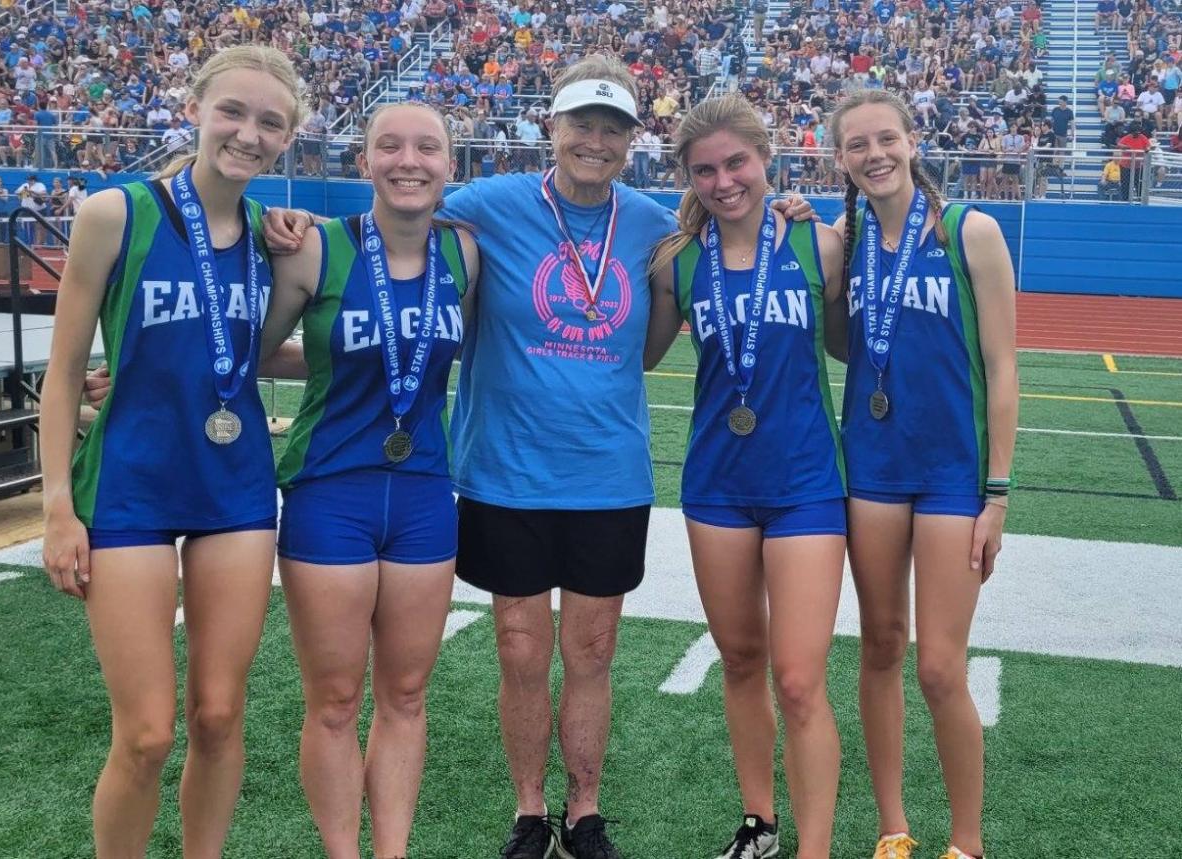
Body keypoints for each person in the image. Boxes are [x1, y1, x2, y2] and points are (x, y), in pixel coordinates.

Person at [262, 54, 816, 859]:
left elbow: (721, 255)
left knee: (591, 652)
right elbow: (396, 213)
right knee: (520, 648)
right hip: (503, 470)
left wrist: (786, 203)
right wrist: (301, 226)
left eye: (612, 128)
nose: (595, 140)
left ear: (632, 141)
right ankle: (530, 812)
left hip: (609, 472)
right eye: (581, 124)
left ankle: (584, 810)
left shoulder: (659, 228)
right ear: (550, 128)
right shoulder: (485, 206)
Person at [39, 46, 305, 859]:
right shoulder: (115, 213)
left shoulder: (278, 238)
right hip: (130, 487)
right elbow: (61, 372)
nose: (248, 134)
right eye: (233, 111)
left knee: (220, 715)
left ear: (288, 139)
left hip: (235, 490)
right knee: (148, 732)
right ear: (194, 108)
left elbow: (250, 348)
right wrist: (55, 505)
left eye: (271, 122)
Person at [256, 102, 480, 859]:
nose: (408, 160)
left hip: (423, 495)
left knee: (408, 695)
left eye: (427, 147)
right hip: (330, 492)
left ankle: (393, 851)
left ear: (452, 165)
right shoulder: (316, 250)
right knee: (335, 700)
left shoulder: (466, 256)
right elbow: (250, 351)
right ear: (364, 162)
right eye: (390, 145)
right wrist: (122, 374)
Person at [643, 95, 847, 859]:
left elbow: (853, 352)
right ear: (688, 178)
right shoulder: (676, 262)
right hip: (717, 484)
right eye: (705, 170)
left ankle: (813, 848)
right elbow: (637, 356)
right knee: (740, 659)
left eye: (736, 163)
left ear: (766, 160)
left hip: (806, 484)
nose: (724, 181)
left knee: (797, 678)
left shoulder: (817, 243)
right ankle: (759, 821)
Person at [828, 89, 1018, 859]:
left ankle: (966, 843)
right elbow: (847, 345)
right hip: (871, 466)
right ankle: (893, 827)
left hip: (951, 474)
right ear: (839, 158)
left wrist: (998, 493)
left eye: (885, 139)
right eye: (856, 146)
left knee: (939, 666)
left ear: (913, 140)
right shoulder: (845, 237)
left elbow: (1004, 368)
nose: (873, 155)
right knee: (879, 646)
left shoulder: (971, 229)